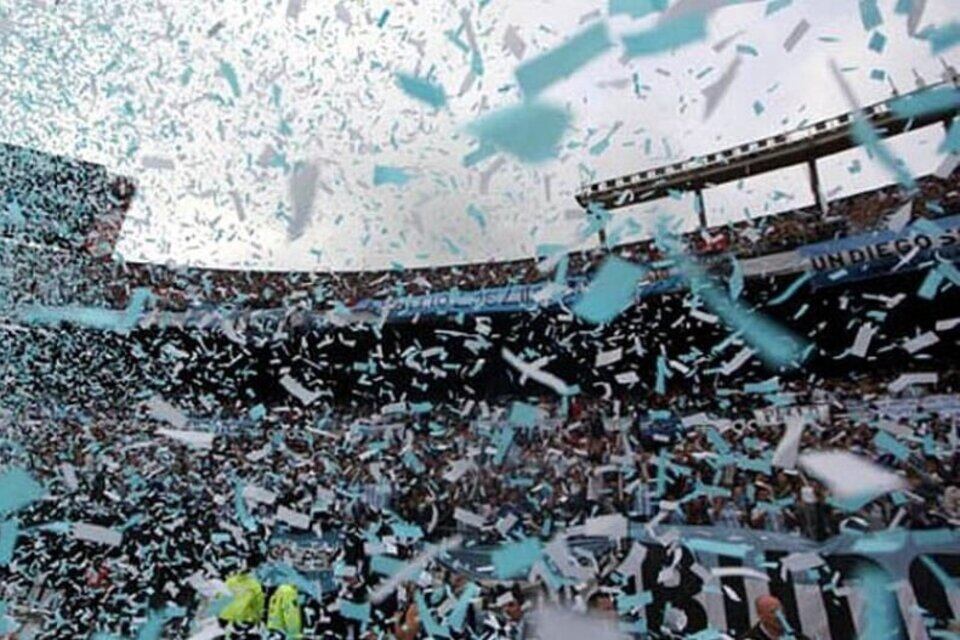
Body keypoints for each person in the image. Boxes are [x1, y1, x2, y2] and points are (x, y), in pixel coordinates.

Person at [743, 595, 808, 640]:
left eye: (782, 611)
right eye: (772, 612)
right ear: (761, 615)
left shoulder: (796, 636)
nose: (779, 616)